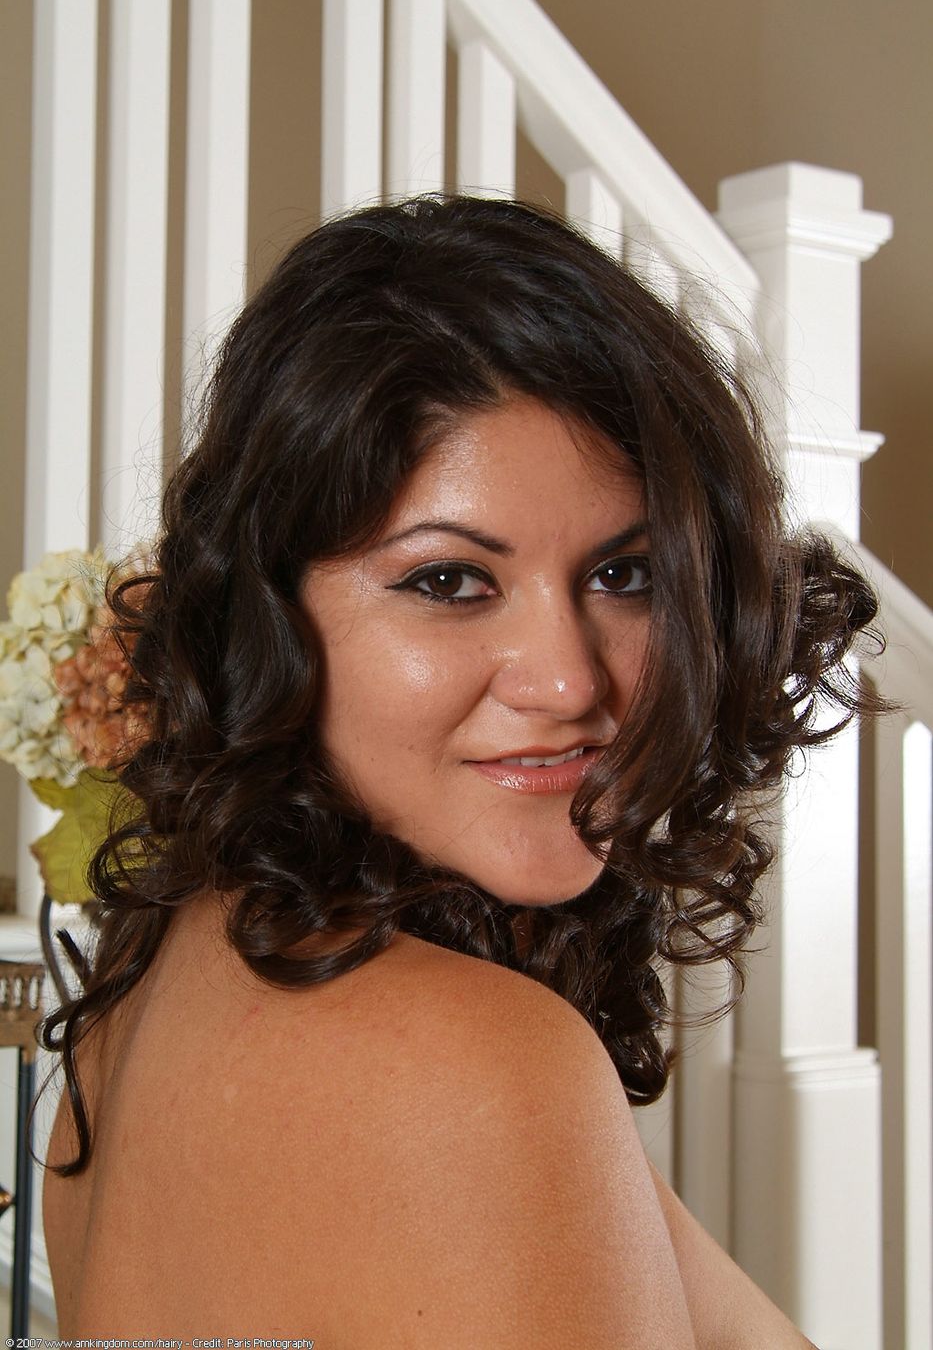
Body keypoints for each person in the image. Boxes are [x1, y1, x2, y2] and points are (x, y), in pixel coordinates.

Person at [38, 194, 879, 1343]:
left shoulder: (133, 1012)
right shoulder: (478, 1071)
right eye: (448, 581)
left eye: (625, 573)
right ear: (267, 618)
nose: (567, 679)